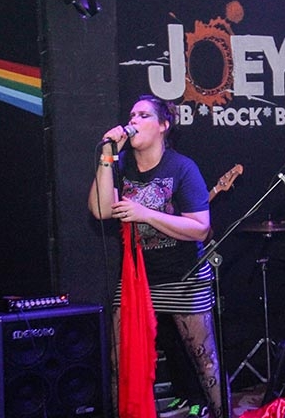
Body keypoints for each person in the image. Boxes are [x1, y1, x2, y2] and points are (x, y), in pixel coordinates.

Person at [88, 95, 225, 418]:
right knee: (121, 362)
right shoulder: (120, 165)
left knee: (204, 361)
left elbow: (200, 229)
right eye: (132, 115)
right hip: (137, 278)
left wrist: (145, 214)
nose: (134, 121)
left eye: (143, 115)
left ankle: (221, 412)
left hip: (183, 277)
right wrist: (107, 155)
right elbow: (100, 210)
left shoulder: (182, 168)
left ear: (163, 125)